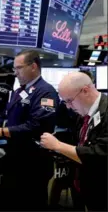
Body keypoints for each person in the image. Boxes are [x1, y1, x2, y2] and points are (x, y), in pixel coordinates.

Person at [0, 50, 59, 211]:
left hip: (33, 163)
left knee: (30, 203)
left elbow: (38, 126)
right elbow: (6, 114)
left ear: (33, 66)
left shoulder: (46, 92)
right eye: (14, 68)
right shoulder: (20, 90)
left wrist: (2, 132)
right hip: (16, 159)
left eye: (19, 68)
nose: (15, 72)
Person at [40, 72, 108, 211]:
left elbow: (99, 154)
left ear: (85, 91)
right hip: (85, 186)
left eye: (69, 100)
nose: (69, 107)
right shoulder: (84, 113)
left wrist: (58, 146)